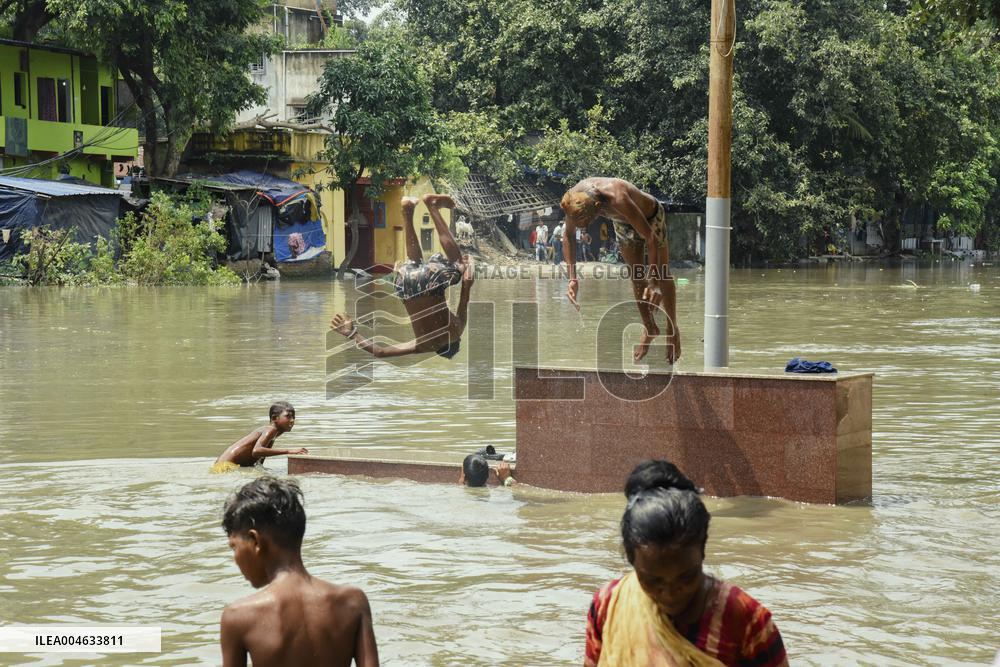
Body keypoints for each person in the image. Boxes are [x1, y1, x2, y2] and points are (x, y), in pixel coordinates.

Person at [584, 460, 788, 667]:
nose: (671, 594)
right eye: (654, 581)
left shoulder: (746, 620)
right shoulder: (608, 605)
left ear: (702, 551)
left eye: (687, 577)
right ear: (631, 560)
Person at [220, 476, 379, 667]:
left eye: (234, 547)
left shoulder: (239, 616)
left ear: (255, 541)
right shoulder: (353, 601)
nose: (235, 558)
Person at [331, 194, 474, 360]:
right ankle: (407, 210)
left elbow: (467, 284)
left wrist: (468, 265)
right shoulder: (421, 346)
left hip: (431, 285)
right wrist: (351, 333)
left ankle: (432, 206)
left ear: (457, 342)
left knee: (457, 262)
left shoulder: (457, 332)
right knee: (414, 264)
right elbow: (380, 352)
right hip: (404, 284)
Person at [560, 177, 681, 363]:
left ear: (599, 207)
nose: (586, 228)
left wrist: (654, 282)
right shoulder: (572, 199)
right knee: (637, 276)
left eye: (588, 223)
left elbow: (651, 239)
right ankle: (650, 327)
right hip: (623, 223)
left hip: (650, 217)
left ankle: (672, 328)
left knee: (662, 274)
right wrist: (572, 279)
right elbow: (567, 236)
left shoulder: (617, 196)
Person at [212, 401, 307, 473]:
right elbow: (257, 451)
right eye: (288, 416)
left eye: (294, 417)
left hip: (224, 466)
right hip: (225, 467)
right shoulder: (271, 430)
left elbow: (259, 460)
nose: (292, 420)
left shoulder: (273, 433)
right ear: (274, 418)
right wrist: (289, 451)